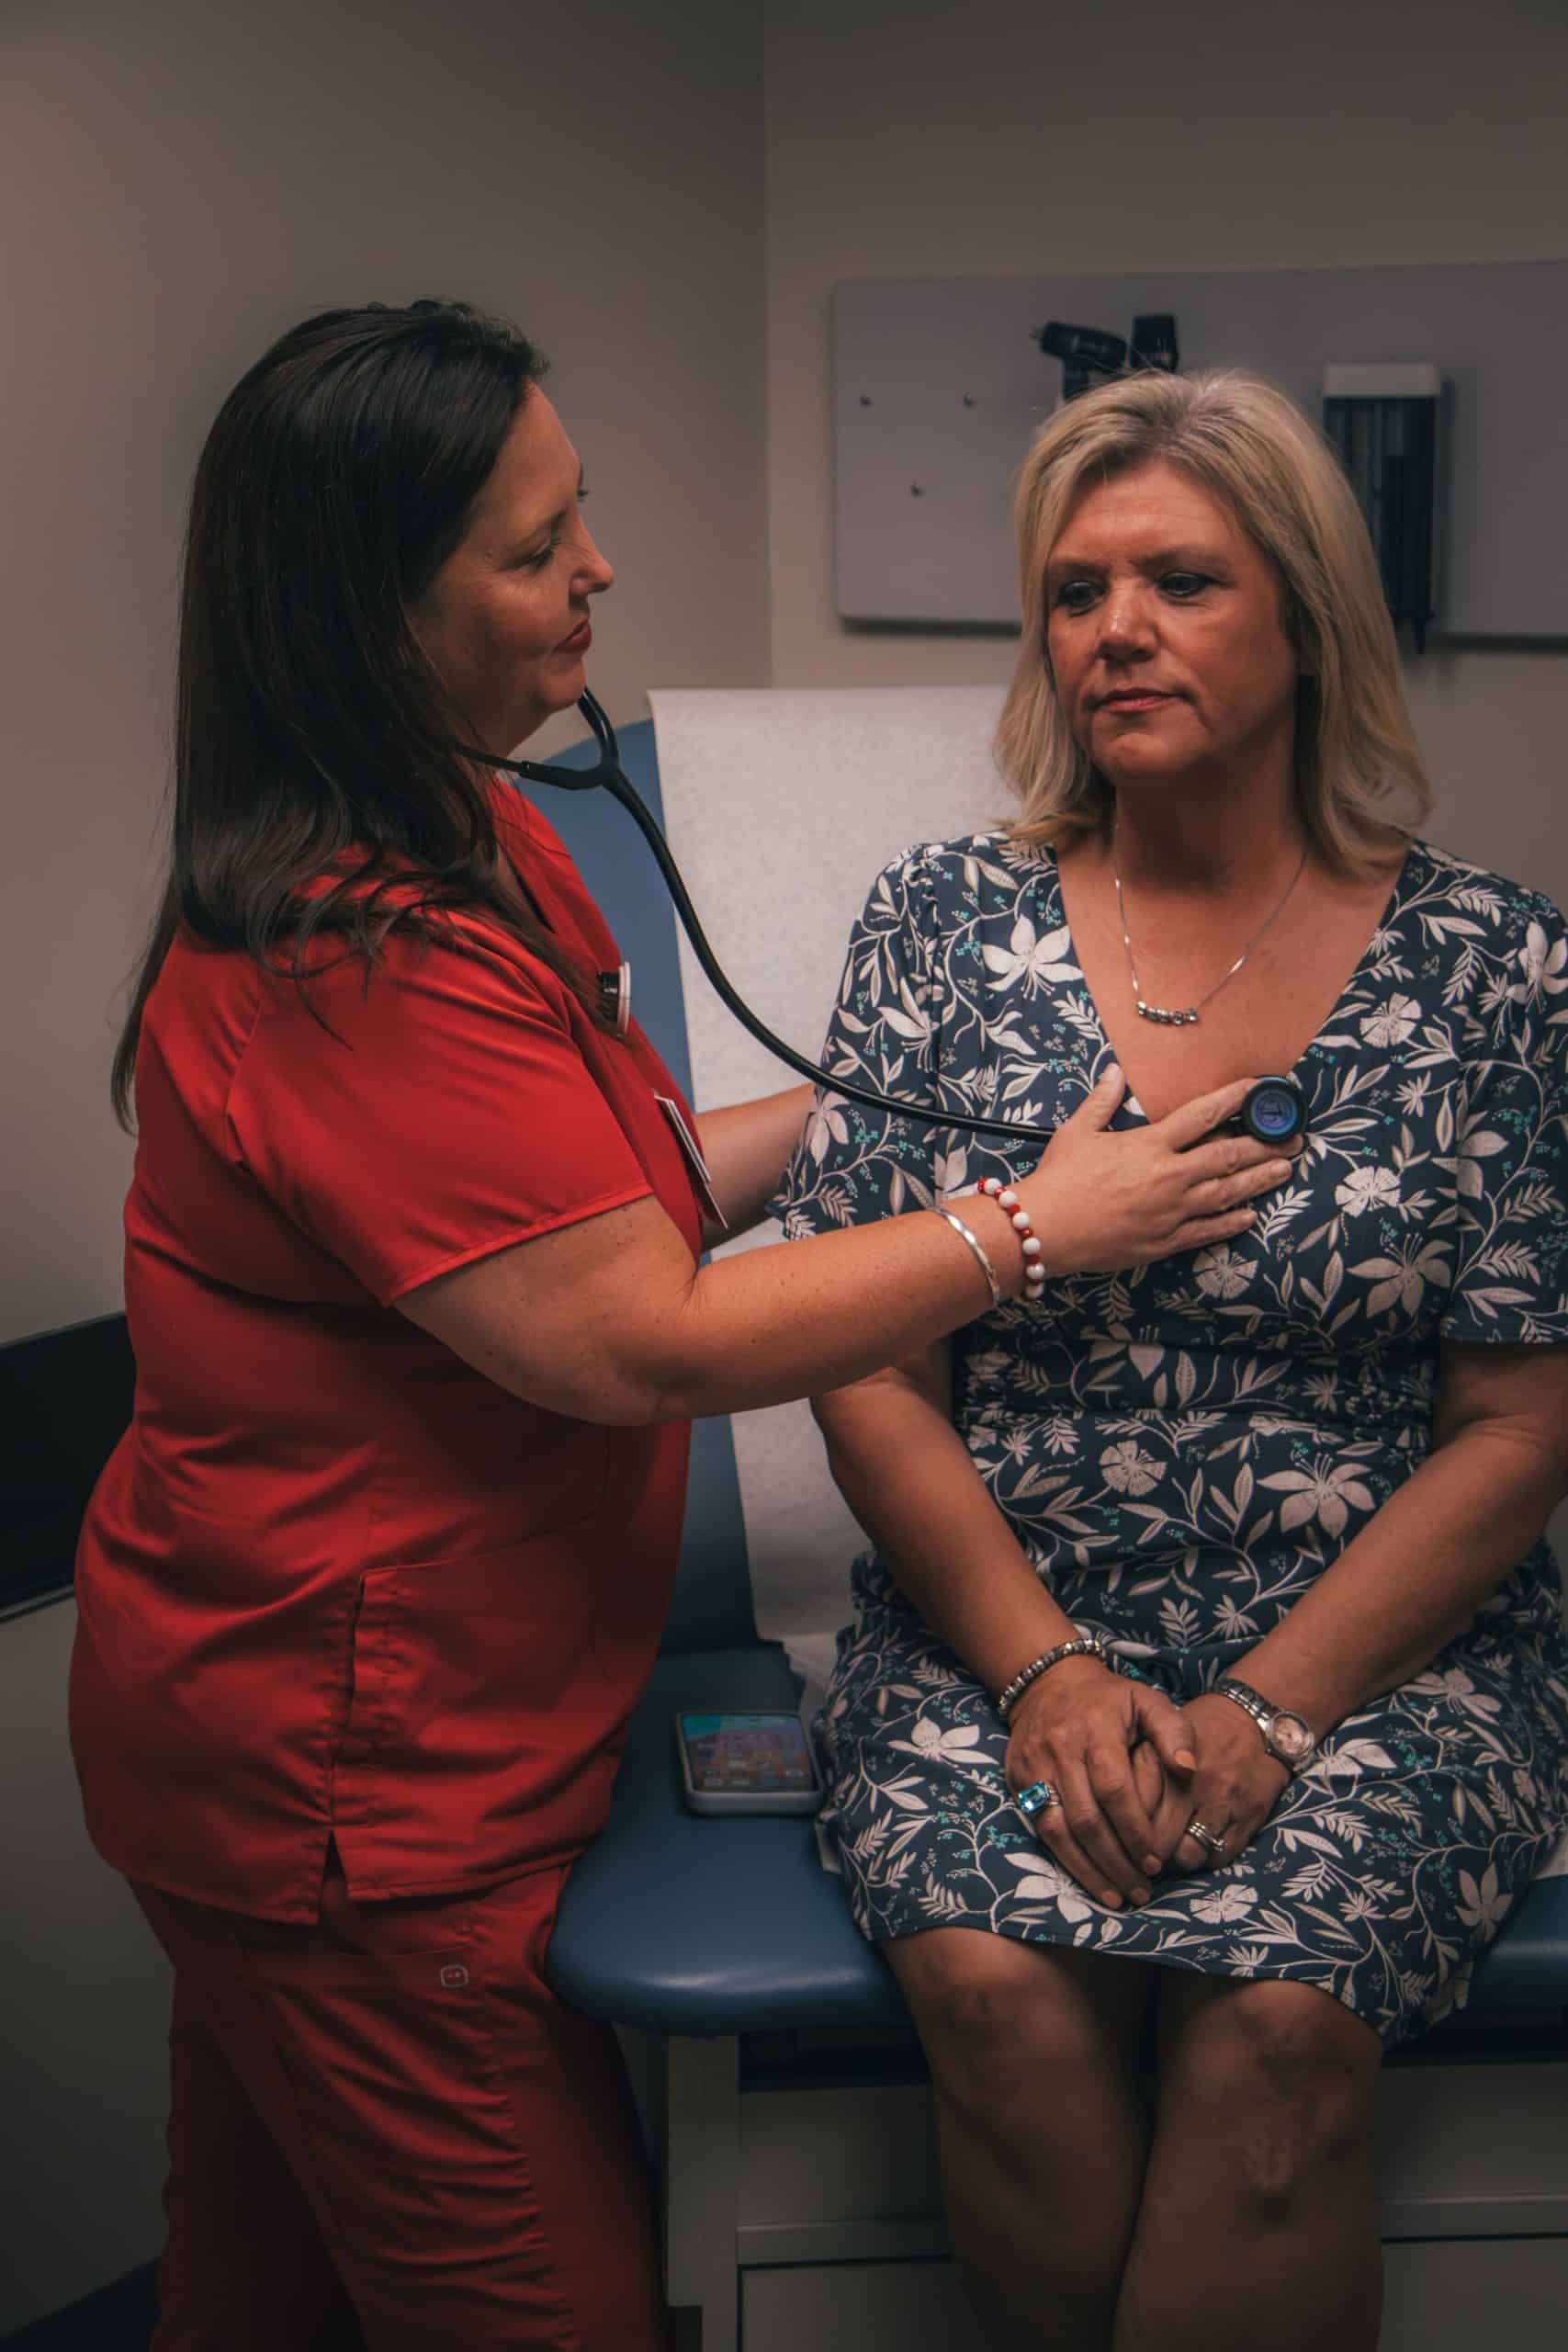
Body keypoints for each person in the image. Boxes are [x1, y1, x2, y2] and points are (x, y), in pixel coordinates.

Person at [68, 303, 1293, 2352]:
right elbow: (630, 1331)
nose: (595, 572)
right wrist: (1025, 1221)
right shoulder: (340, 950)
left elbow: (589, 1178)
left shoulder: (486, 832)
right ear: (374, 606)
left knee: (263, 2283)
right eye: (533, 547)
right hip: (344, 1790)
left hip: (348, 1733)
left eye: (583, 516)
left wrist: (874, 1111)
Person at [776, 366, 1568, 2352]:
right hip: (993, 1623)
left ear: (1304, 612)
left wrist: (1274, 1711)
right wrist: (1041, 1671)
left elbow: (1518, 1417)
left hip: (1378, 1648)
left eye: (1179, 579)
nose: (1111, 626)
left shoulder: (1498, 966)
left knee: (1275, 2035)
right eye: (1072, 588)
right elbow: (866, 1359)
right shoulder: (939, 929)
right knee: (999, 1996)